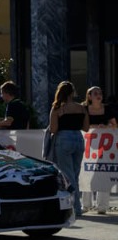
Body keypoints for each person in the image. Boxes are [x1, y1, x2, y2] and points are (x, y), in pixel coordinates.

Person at [48, 81, 88, 219]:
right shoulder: (81, 108)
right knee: (74, 175)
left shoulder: (57, 108)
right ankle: (76, 206)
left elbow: (53, 129)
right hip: (78, 138)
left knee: (68, 175)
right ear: (72, 93)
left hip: (63, 139)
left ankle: (75, 208)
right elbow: (86, 128)